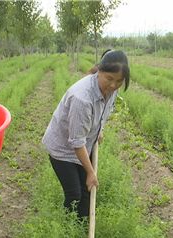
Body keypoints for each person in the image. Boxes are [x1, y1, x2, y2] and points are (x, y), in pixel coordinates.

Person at [42, 50, 130, 219]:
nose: (113, 85)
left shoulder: (111, 90)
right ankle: (68, 227)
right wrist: (90, 172)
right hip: (63, 149)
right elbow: (76, 142)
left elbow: (102, 113)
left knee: (87, 191)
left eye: (119, 81)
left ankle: (82, 225)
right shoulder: (82, 98)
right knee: (74, 194)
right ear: (100, 72)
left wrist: (99, 130)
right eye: (109, 79)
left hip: (83, 144)